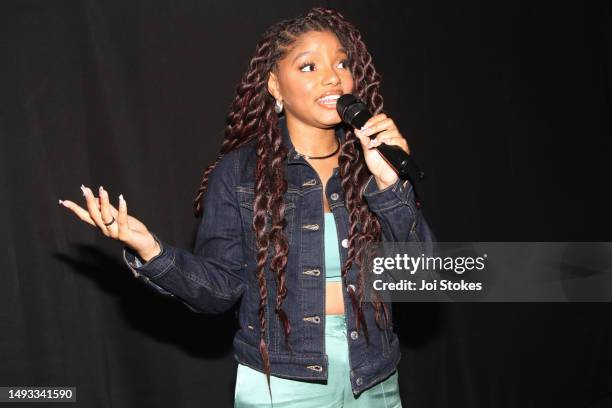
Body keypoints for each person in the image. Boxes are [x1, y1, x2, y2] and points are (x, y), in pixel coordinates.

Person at [60, 7, 434, 407]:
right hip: (283, 385)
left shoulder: (372, 169)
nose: (333, 77)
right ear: (275, 85)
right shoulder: (240, 174)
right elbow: (219, 289)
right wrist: (149, 249)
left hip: (375, 379)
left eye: (342, 63)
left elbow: (421, 281)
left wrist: (390, 184)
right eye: (309, 66)